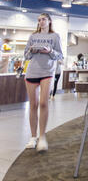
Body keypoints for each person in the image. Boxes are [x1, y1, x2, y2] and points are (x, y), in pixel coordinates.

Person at [23, 13, 64, 152]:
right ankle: (33, 137)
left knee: (43, 103)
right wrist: (31, 50)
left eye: (44, 19)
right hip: (32, 72)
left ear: (49, 21)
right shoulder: (33, 36)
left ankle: (42, 137)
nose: (41, 22)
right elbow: (26, 55)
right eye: (39, 20)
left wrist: (50, 50)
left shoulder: (55, 36)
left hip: (47, 72)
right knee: (33, 105)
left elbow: (60, 55)